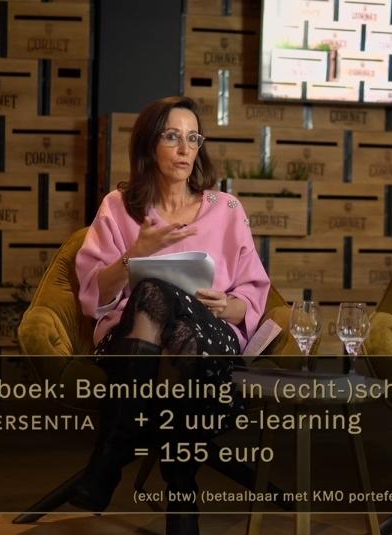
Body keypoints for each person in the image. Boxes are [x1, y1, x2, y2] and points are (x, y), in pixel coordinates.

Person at [72, 96, 270, 533]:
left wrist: (228, 305)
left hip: (213, 331)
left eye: (193, 138)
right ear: (149, 144)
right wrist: (135, 254)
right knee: (159, 304)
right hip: (134, 339)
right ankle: (181, 488)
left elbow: (253, 293)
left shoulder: (227, 209)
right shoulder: (118, 206)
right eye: (172, 136)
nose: (184, 149)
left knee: (173, 314)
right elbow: (94, 293)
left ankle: (110, 456)